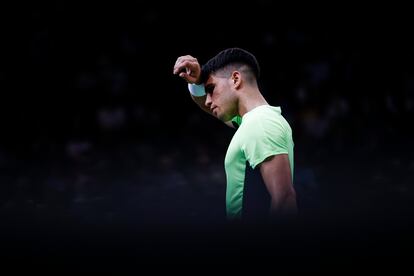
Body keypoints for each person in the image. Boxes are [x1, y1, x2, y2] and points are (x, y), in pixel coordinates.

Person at [173, 47, 297, 223]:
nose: (208, 100)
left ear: (236, 79)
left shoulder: (260, 123)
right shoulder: (253, 122)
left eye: (211, 88)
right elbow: (207, 106)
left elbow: (285, 200)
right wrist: (198, 82)